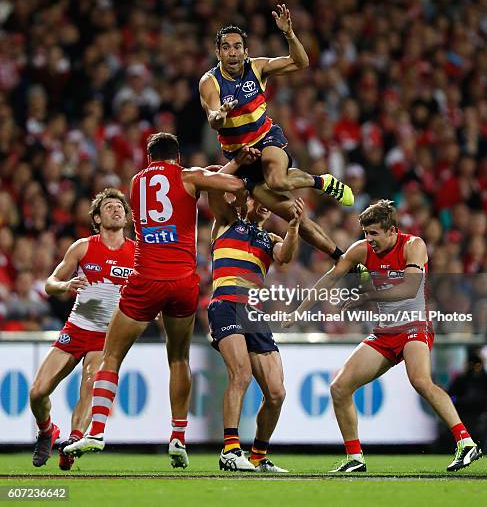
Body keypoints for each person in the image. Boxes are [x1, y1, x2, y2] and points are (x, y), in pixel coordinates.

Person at [65, 132, 249, 468]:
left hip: (145, 278)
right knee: (178, 358)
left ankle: (97, 430)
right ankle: (178, 438)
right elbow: (229, 186)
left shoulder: (136, 183)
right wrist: (237, 167)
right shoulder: (187, 175)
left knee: (111, 355)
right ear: (177, 157)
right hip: (182, 282)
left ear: (149, 158)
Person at [283, 200, 482, 473]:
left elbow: (410, 289)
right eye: (366, 233)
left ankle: (466, 443)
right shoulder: (361, 250)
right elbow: (329, 278)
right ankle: (355, 458)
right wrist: (299, 311)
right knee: (339, 388)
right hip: (385, 332)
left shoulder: (414, 245)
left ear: (391, 231)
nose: (369, 239)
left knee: (421, 381)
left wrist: (367, 295)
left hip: (414, 326)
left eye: (374, 233)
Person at [199, 4, 353, 263]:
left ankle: (322, 182)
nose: (232, 52)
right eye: (226, 47)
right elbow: (213, 118)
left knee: (278, 181)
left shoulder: (257, 67)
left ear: (246, 51)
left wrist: (290, 34)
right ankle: (341, 258)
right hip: (241, 156)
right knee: (295, 215)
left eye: (237, 47)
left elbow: (301, 63)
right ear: (218, 53)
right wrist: (221, 115)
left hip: (267, 138)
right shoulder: (210, 82)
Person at [206, 147, 304, 472]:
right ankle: (230, 450)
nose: (262, 205)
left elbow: (285, 257)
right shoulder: (225, 222)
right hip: (227, 304)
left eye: (267, 202)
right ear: (244, 199)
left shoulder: (269, 237)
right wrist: (241, 163)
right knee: (241, 375)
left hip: (254, 311)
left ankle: (259, 457)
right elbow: (214, 182)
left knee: (276, 393)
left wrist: (293, 227)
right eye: (256, 198)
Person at [29, 188, 134, 470]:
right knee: (37, 392)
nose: (117, 210)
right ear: (97, 218)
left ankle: (72, 444)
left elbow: (150, 290)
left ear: (126, 217)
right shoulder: (83, 247)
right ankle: (47, 431)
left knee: (90, 384)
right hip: (76, 328)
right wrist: (66, 285)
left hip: (106, 336)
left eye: (120, 207)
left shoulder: (137, 254)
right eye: (109, 207)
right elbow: (50, 282)